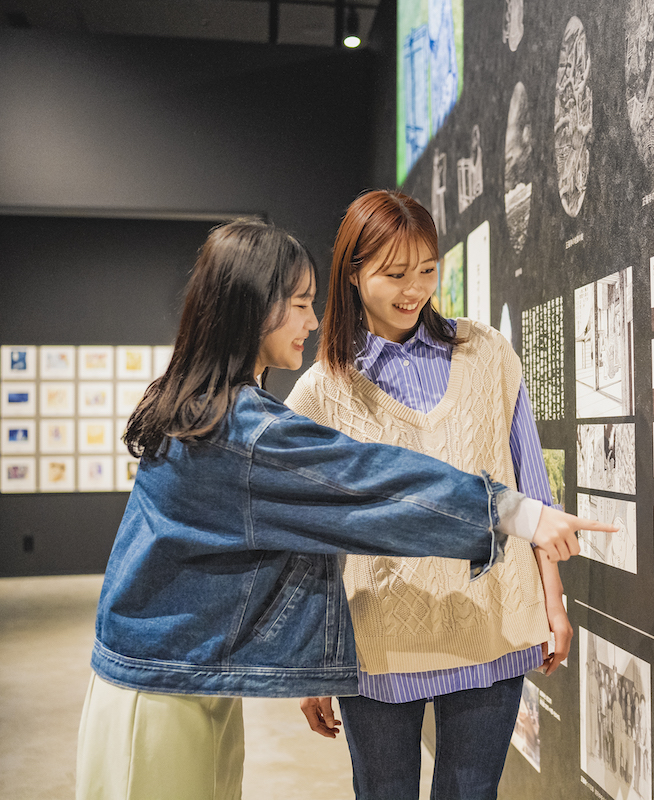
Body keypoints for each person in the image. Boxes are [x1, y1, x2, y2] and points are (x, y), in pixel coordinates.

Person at [76, 219, 612, 800]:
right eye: (301, 304)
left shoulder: (208, 405)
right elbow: (372, 483)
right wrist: (518, 514)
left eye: (426, 269)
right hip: (167, 684)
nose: (312, 319)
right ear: (255, 307)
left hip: (185, 675)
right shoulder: (244, 428)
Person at [284, 190, 570, 799]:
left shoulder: (487, 353)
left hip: (490, 618)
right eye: (394, 274)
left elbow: (529, 488)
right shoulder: (322, 392)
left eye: (426, 270)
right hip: (379, 638)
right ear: (354, 273)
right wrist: (307, 655)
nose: (414, 289)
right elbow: (305, 541)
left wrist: (553, 600)